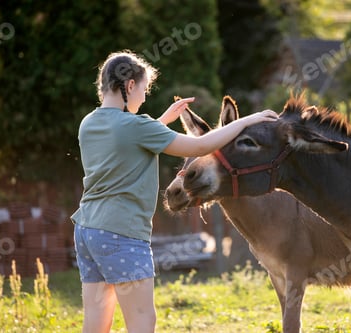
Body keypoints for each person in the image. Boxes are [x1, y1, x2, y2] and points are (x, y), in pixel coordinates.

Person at [71, 50, 277, 333]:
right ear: (129, 86)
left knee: (96, 319)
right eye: (144, 89)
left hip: (87, 230)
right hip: (122, 232)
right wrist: (246, 121)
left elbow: (124, 143)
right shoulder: (137, 126)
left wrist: (162, 121)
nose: (144, 97)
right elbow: (201, 147)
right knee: (143, 321)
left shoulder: (89, 123)